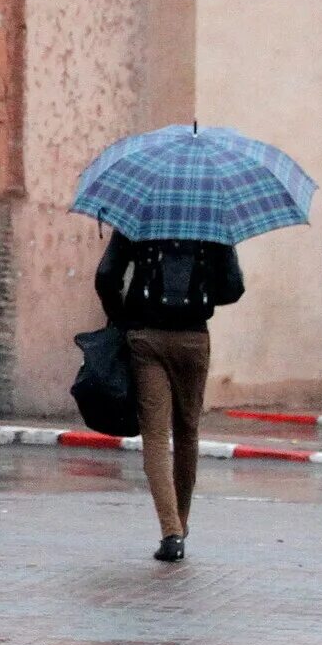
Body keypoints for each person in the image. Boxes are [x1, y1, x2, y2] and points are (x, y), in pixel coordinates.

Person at [95, 228, 245, 564]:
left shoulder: (137, 218)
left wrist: (121, 317)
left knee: (156, 435)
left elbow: (106, 276)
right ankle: (183, 519)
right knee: (188, 429)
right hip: (194, 339)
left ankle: (171, 532)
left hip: (145, 338)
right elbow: (233, 287)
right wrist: (202, 290)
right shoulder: (213, 224)